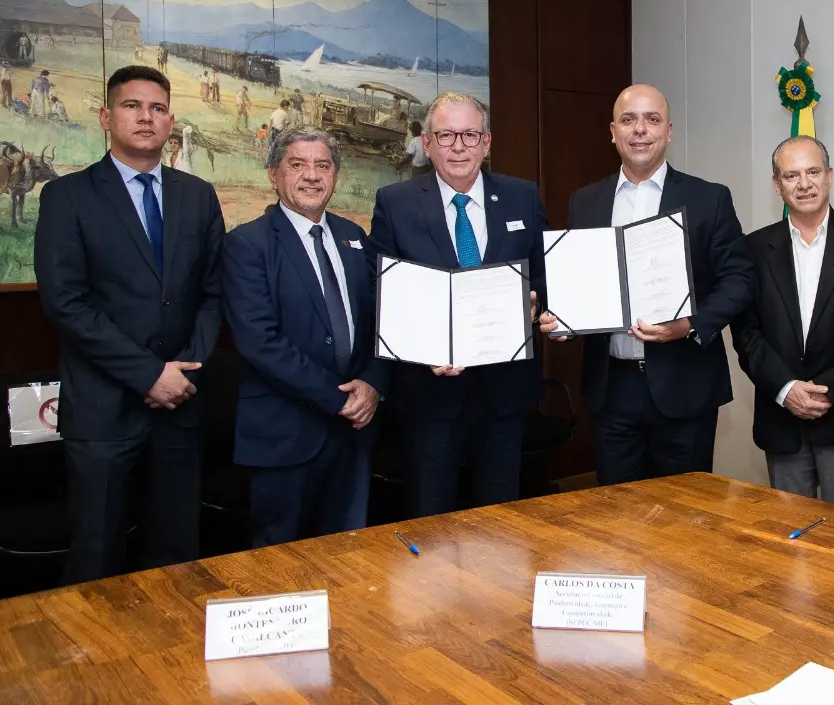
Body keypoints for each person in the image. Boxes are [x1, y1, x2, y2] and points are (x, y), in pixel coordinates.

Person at [33, 65, 224, 583]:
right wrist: (148, 374)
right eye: (132, 106)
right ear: (105, 117)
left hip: (180, 406)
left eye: (158, 108)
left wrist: (184, 372)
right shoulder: (67, 197)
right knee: (96, 559)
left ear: (170, 122)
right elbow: (65, 304)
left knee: (177, 559)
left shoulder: (198, 195)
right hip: (103, 412)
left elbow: (213, 294)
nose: (146, 117)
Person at [536, 84, 753, 485]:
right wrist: (561, 318)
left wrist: (688, 325)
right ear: (613, 132)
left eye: (652, 119)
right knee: (619, 514)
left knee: (685, 511)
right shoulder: (585, 201)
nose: (640, 129)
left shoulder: (709, 198)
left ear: (668, 131)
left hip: (685, 384)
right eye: (628, 120)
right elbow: (577, 280)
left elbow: (739, 279)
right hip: (611, 389)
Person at [370, 92, 546, 516]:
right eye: (446, 135)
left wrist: (536, 305)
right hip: (429, 398)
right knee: (431, 521)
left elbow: (544, 276)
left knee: (500, 520)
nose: (459, 146)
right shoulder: (395, 203)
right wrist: (420, 347)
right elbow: (380, 294)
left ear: (487, 143)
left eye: (469, 135)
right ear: (427, 144)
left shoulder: (522, 196)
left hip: (504, 396)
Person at [222, 128, 388, 547]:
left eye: (322, 166)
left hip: (353, 434)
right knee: (280, 563)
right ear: (273, 174)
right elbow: (260, 342)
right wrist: (339, 399)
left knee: (348, 555)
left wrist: (372, 384)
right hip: (284, 436)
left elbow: (381, 320)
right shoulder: (246, 244)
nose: (311, 176)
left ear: (335, 175)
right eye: (297, 165)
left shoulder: (354, 237)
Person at [731, 136, 834, 510]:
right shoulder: (753, 249)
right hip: (782, 420)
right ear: (777, 185)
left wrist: (830, 390)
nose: (804, 184)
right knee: (789, 538)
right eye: (791, 175)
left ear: (830, 176)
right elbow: (746, 332)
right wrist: (786, 388)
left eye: (813, 172)